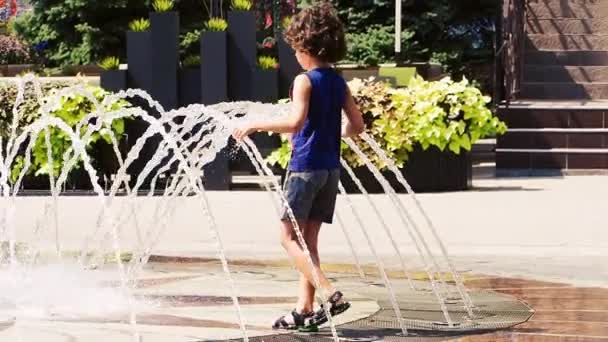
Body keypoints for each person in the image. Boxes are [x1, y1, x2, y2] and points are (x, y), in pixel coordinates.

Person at [232, 1, 365, 330]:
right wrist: (333, 135)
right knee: (309, 242)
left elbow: (294, 121)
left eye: (295, 49)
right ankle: (303, 310)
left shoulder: (305, 81)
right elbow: (358, 126)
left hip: (305, 169)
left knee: (287, 238)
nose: (294, 56)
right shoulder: (338, 82)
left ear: (307, 47)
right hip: (330, 170)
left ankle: (330, 293)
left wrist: (256, 125)